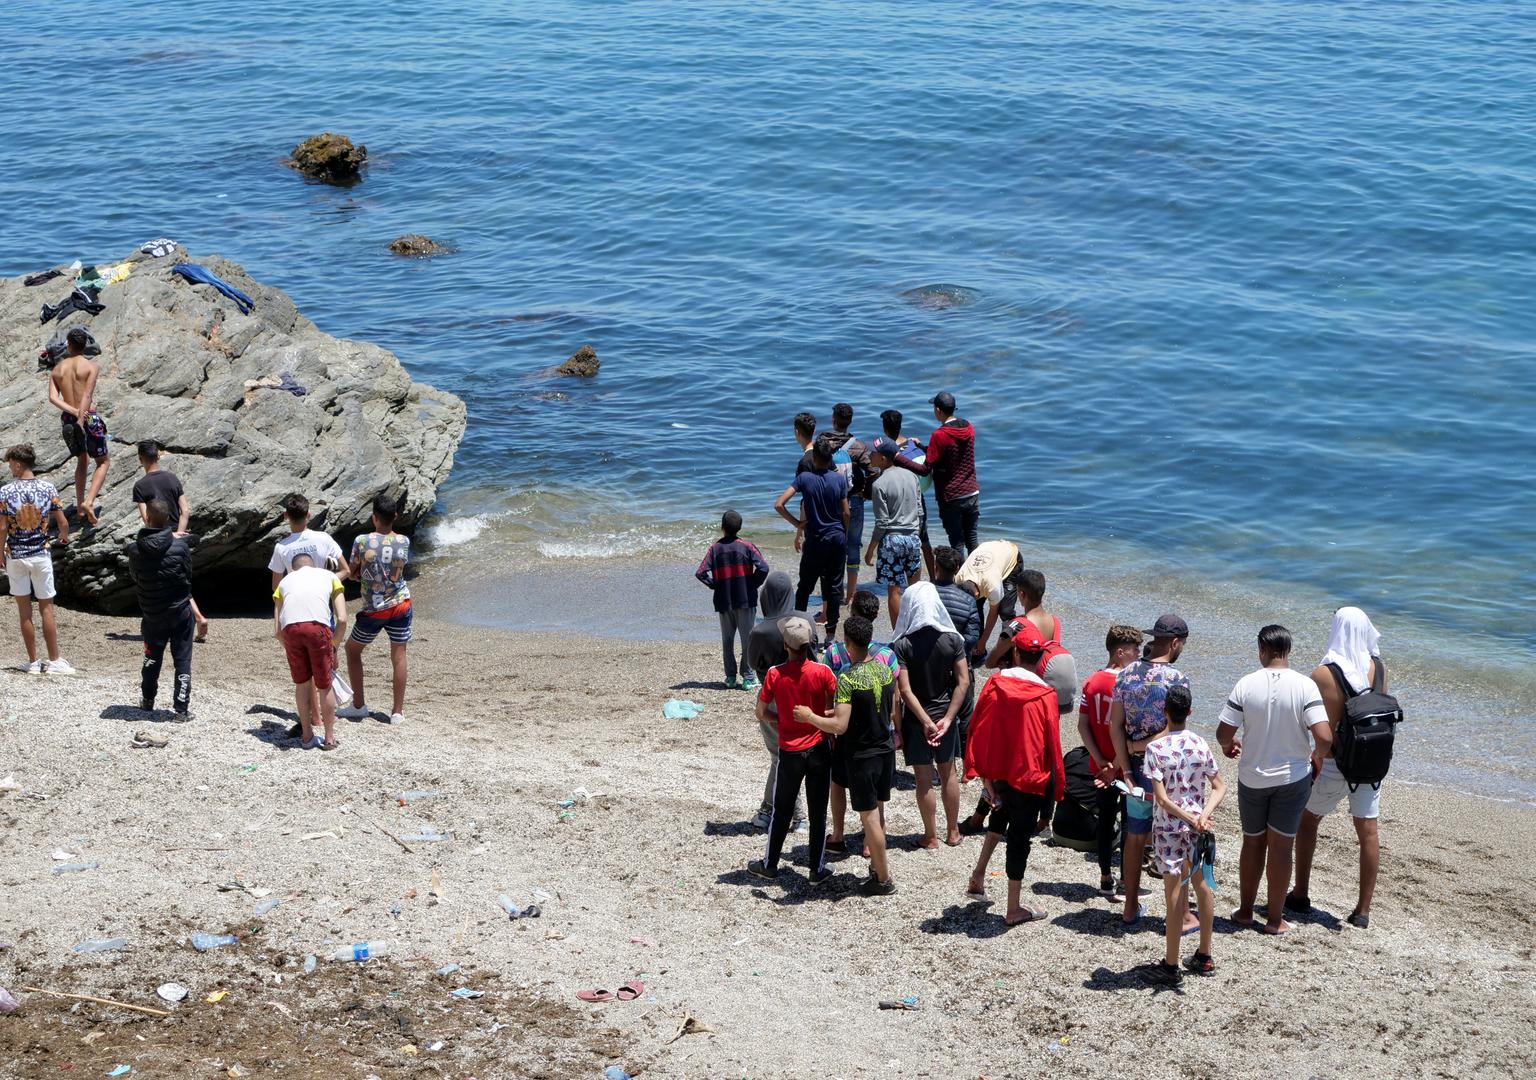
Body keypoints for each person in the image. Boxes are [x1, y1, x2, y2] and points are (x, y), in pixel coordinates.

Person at [1216, 624, 1332, 936]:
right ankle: (1274, 920)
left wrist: (1230, 746)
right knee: (1282, 846)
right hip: (1292, 778)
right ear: (1288, 651)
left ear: (1262, 650)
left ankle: (1243, 912)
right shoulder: (1305, 686)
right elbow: (1324, 737)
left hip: (1253, 777)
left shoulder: (1246, 684)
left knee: (1253, 842)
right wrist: (1317, 757)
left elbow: (1223, 733)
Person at [1290, 607, 1387, 929]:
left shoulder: (1324, 674)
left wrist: (1316, 758)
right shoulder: (1380, 669)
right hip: (1372, 763)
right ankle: (1362, 911)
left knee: (1308, 819)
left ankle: (1300, 894)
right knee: (1368, 830)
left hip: (1336, 763)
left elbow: (1323, 731)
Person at [962, 620, 1063, 925]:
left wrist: (986, 778)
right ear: (1040, 658)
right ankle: (1013, 908)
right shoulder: (1046, 695)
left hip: (1000, 771)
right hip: (1029, 776)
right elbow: (1053, 748)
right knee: (1019, 838)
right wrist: (1055, 795)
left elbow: (977, 729)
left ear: (1016, 653)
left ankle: (979, 875)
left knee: (999, 817)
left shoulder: (996, 683)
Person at [795, 615, 899, 896]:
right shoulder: (885, 671)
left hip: (862, 755)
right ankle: (877, 868)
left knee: (869, 818)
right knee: (877, 812)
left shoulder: (847, 679)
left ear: (848, 644)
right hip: (885, 749)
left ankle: (884, 879)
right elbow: (888, 709)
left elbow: (839, 726)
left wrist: (811, 716)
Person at [1108, 614, 1191, 925]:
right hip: (1168, 771)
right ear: (1175, 643)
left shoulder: (1126, 674)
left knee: (1135, 835)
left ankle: (1130, 905)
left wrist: (1127, 765)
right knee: (1176, 835)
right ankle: (1181, 913)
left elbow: (1114, 726)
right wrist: (1138, 749)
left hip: (1137, 772)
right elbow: (1174, 731)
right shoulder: (1177, 680)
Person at [1144, 684, 1226, 983]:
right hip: (1197, 826)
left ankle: (1171, 964)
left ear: (1165, 711)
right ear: (1190, 711)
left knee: (1174, 891)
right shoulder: (1199, 744)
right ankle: (1204, 955)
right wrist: (1202, 815)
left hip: (1168, 827)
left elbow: (1163, 800)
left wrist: (1190, 817)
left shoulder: (1155, 749)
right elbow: (1220, 787)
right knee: (1203, 885)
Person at [748, 616, 835, 884]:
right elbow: (831, 711)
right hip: (819, 748)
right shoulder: (823, 673)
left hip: (790, 752)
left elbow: (761, 713)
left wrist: (784, 718)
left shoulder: (775, 674)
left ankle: (770, 864)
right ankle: (816, 870)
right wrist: (812, 718)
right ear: (809, 644)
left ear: (786, 645)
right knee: (818, 812)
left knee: (782, 811)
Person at [889, 582, 971, 848]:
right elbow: (963, 683)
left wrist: (925, 722)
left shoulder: (903, 644)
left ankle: (931, 836)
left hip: (916, 720)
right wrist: (947, 720)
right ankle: (953, 832)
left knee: (924, 779)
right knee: (949, 774)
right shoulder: (953, 639)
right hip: (945, 717)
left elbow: (904, 690)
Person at [823, 589, 902, 853]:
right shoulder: (887, 656)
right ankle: (870, 841)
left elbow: (827, 691)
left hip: (846, 732)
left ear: (852, 614)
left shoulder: (835, 653)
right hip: (880, 732)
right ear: (876, 616)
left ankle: (837, 834)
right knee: (877, 793)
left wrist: (825, 721)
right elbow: (895, 697)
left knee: (838, 783)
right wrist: (897, 728)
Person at [745, 571, 818, 830]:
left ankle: (788, 815)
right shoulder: (806, 618)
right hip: (806, 695)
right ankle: (774, 811)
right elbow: (813, 655)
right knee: (789, 755)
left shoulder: (760, 631)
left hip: (774, 695)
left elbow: (753, 665)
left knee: (781, 756)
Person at [1077, 625, 1145, 896]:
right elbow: (1128, 730)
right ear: (1120, 652)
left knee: (1105, 820)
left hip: (1100, 766)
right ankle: (1128, 881)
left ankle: (1105, 877)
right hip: (1125, 766)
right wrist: (1116, 765)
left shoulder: (1092, 681)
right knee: (1130, 823)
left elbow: (1083, 726)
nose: (1139, 654)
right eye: (1134, 649)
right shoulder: (1129, 684)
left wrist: (1100, 762)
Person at [335, 495, 412, 725]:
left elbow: (353, 571)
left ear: (374, 517)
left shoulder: (362, 540)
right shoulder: (404, 541)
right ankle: (397, 712)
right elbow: (397, 569)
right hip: (400, 604)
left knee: (352, 650)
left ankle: (359, 706)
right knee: (398, 656)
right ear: (395, 517)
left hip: (374, 609)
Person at [0, 444, 72, 674]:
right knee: (47, 609)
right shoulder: (48, 488)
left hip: (16, 556)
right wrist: (63, 537)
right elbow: (62, 523)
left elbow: (2, 527)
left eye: (11, 464)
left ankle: (32, 662)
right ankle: (55, 661)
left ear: (19, 464)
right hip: (41, 554)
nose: (10, 468)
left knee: (24, 611)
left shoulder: (5, 492)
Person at [126, 499, 198, 720]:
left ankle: (148, 701)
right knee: (182, 660)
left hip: (152, 612)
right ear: (168, 520)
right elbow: (187, 577)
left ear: (147, 518)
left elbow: (135, 577)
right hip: (180, 612)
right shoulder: (180, 547)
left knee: (151, 659)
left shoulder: (134, 549)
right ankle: (181, 710)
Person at [131, 441, 209, 642]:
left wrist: (165, 536)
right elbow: (186, 510)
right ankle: (196, 618)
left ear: (141, 460)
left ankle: (196, 617)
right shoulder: (172, 478)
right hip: (177, 537)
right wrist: (178, 534)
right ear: (158, 456)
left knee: (162, 583)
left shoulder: (140, 486)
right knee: (180, 581)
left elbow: (146, 518)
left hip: (157, 538)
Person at [774, 434, 850, 641]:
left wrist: (797, 524)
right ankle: (830, 636)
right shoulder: (838, 479)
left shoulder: (804, 479)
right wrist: (844, 532)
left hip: (815, 539)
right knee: (834, 588)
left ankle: (798, 631)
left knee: (805, 587)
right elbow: (846, 513)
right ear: (830, 459)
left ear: (814, 458)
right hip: (836, 538)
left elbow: (779, 504)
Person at [273, 552, 348, 750]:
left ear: (294, 568)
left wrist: (289, 645)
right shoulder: (329, 576)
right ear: (313, 565)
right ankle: (329, 738)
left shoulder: (284, 583)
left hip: (291, 631)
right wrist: (334, 645)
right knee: (325, 685)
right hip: (318, 628)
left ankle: (307, 737)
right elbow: (342, 618)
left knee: (302, 684)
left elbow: (277, 630)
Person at [892, 391, 979, 558]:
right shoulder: (969, 427)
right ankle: (977, 579)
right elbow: (950, 454)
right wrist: (924, 447)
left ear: (938, 410)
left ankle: (957, 582)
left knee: (957, 543)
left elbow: (925, 469)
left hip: (951, 497)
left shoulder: (939, 435)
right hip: (972, 492)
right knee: (972, 540)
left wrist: (898, 457)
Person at [694, 510, 770, 690]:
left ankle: (729, 677)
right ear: (740, 528)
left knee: (727, 640)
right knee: (747, 640)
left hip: (724, 600)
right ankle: (748, 677)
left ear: (722, 528)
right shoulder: (747, 546)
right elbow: (763, 568)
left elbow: (700, 572)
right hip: (745, 599)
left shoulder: (715, 549)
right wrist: (753, 583)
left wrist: (715, 585)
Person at [46, 328, 109, 525]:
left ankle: (80, 505)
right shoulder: (91, 367)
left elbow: (52, 398)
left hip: (68, 419)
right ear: (85, 346)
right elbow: (87, 395)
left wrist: (73, 413)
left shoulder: (57, 369)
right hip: (88, 417)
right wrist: (81, 417)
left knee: (82, 460)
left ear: (69, 344)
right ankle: (88, 501)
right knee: (103, 461)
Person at [863, 439, 923, 627]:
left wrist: (871, 549)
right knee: (914, 590)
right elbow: (919, 512)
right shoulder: (912, 477)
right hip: (913, 537)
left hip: (892, 541)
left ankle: (898, 635)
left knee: (894, 591)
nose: (869, 456)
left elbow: (882, 522)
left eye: (872, 453)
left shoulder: (879, 483)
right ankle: (915, 629)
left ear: (883, 458)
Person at [823, 404, 872, 608]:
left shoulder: (823, 442)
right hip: (854, 502)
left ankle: (831, 593)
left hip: (830, 502)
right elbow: (872, 471)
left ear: (834, 419)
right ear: (850, 421)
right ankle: (850, 596)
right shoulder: (858, 446)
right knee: (853, 547)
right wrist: (865, 492)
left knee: (831, 548)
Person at [880, 409, 935, 578]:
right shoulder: (912, 443)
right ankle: (933, 578)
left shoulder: (888, 450)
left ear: (885, 429)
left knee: (895, 540)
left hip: (897, 503)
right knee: (923, 541)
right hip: (918, 499)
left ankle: (901, 577)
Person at [952, 539, 1024, 659]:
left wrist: (983, 641)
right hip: (987, 548)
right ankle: (977, 648)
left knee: (1005, 611)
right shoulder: (959, 578)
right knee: (976, 608)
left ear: (976, 594)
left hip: (1011, 557)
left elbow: (993, 613)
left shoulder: (992, 585)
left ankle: (1008, 648)